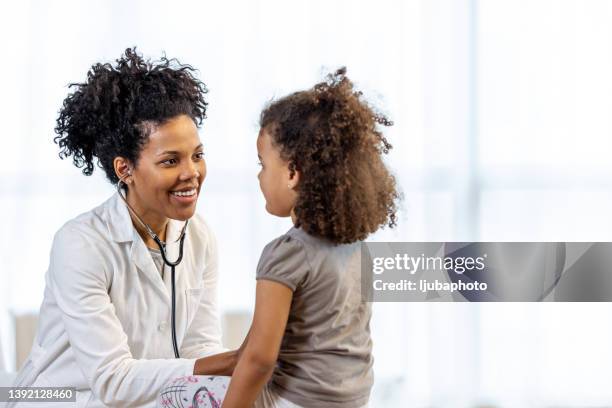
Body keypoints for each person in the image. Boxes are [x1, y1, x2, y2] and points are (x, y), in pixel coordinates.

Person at [10, 48, 237, 408]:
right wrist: (237, 360)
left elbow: (199, 347)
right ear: (124, 169)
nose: (191, 172)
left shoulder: (199, 236)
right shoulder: (81, 244)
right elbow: (112, 380)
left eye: (197, 155)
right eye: (170, 161)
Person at [159, 68, 399, 408]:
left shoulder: (287, 253)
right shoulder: (356, 249)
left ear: (291, 173)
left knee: (173, 394)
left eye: (262, 164)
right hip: (350, 402)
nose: (259, 176)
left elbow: (259, 358)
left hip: (292, 402)